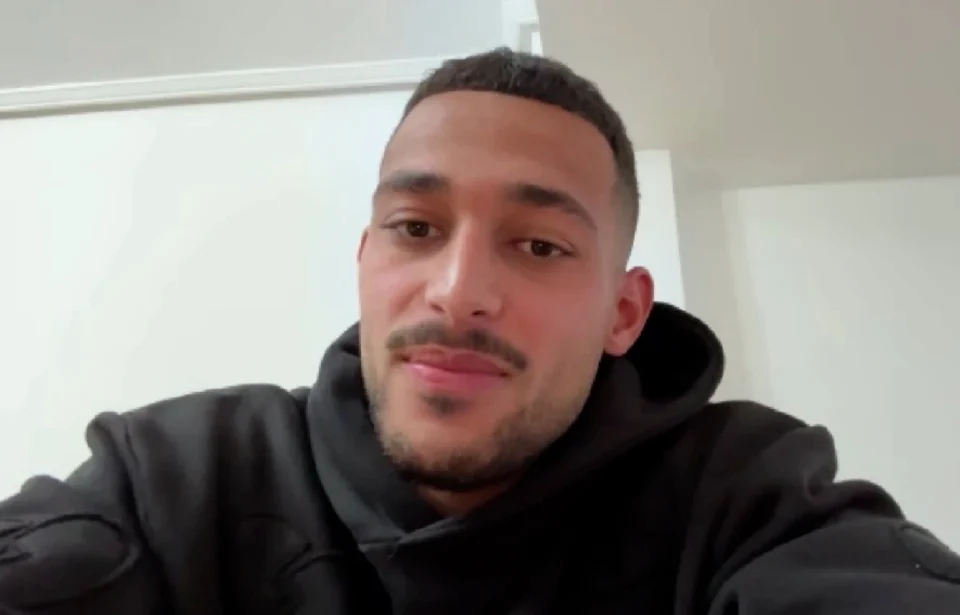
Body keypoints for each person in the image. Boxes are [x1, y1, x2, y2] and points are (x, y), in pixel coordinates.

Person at [1, 48, 958, 615]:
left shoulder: (744, 493)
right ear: (366, 259)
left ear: (624, 312)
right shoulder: (177, 476)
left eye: (539, 245)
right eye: (415, 228)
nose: (459, 292)